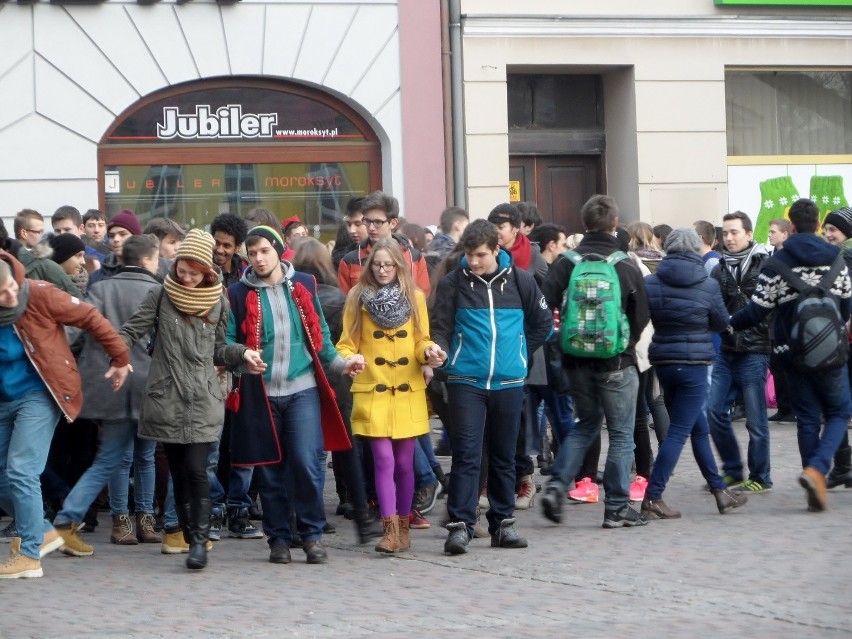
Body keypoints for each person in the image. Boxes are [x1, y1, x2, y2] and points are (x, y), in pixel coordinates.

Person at [118, 230, 265, 569]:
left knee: (198, 470)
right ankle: (186, 532)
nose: (186, 278)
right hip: (167, 396)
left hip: (203, 397)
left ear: (207, 272)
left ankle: (199, 541)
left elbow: (218, 348)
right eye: (182, 270)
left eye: (194, 273)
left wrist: (243, 354)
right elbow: (130, 331)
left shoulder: (219, 300)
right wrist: (117, 356)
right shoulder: (160, 294)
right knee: (180, 473)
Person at [226, 225, 360, 565]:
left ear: (278, 250)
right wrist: (241, 354)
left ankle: (311, 534)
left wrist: (342, 365)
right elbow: (226, 341)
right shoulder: (238, 294)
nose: (257, 258)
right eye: (252, 253)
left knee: (306, 463)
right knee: (270, 469)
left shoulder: (303, 284)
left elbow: (321, 337)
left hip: (303, 389)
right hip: (262, 393)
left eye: (263, 251)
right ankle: (279, 539)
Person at [0, 252, 131, 579]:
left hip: (42, 392)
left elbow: (90, 315)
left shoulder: (38, 293)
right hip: (4, 398)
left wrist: (119, 357)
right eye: (2, 293)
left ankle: (30, 554)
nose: (11, 295)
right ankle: (42, 531)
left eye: (11, 286)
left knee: (21, 469)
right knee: (3, 475)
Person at [431, 219, 552, 555]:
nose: (474, 261)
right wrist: (438, 348)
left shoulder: (522, 281)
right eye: (469, 254)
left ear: (497, 250)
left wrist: (518, 352)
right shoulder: (453, 283)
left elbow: (543, 324)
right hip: (465, 380)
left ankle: (503, 524)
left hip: (509, 381)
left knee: (504, 455)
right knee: (467, 455)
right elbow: (439, 326)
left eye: (481, 254)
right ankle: (460, 526)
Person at [730, 199, 852, 512]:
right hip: (832, 354)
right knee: (839, 413)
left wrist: (727, 323)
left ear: (792, 226)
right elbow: (847, 308)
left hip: (790, 354)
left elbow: (757, 311)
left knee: (807, 419)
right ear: (817, 225)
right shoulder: (838, 261)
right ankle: (817, 471)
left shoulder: (777, 263)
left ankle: (814, 477)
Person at [540, 194, 650, 529]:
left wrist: (566, 343)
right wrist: (625, 343)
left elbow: (546, 303)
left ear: (584, 224)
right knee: (620, 434)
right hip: (616, 361)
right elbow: (642, 314)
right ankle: (616, 508)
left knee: (584, 425)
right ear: (615, 224)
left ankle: (558, 485)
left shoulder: (566, 262)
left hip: (576, 361)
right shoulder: (624, 264)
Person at [51, 235, 165, 553]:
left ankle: (122, 520)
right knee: (138, 457)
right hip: (148, 384)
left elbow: (75, 332)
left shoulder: (100, 288)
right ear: (146, 260)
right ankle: (72, 518)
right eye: (156, 260)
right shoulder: (158, 290)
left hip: (110, 383)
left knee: (117, 457)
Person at [336, 238, 444, 553]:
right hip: (374, 388)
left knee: (405, 464)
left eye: (389, 265)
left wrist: (430, 352)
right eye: (378, 265)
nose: (383, 270)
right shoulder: (357, 296)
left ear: (399, 266)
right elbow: (345, 342)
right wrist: (349, 359)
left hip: (408, 389)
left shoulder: (415, 297)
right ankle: (389, 530)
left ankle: (405, 526)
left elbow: (421, 339)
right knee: (383, 460)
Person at [640, 228, 748, 518]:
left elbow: (642, 317)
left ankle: (719, 491)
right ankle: (653, 496)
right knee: (678, 432)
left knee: (698, 428)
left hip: (663, 361)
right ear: (695, 249)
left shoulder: (651, 282)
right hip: (694, 364)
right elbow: (721, 321)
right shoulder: (707, 283)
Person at [707, 211, 773, 494]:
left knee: (756, 421)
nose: (729, 238)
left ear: (748, 234)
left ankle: (761, 476)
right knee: (714, 411)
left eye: (734, 232)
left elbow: (772, 306)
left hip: (755, 350)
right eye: (725, 233)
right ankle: (733, 470)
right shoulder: (719, 268)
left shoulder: (766, 264)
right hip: (726, 350)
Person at [810, 206, 852, 489]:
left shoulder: (843, 258)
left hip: (843, 340)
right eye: (825, 230)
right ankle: (843, 467)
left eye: (833, 230)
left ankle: (843, 467)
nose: (827, 235)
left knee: (837, 407)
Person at [337, 191, 431, 295]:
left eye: (378, 222)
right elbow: (345, 302)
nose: (371, 228)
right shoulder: (350, 260)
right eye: (367, 221)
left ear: (393, 223)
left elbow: (423, 298)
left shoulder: (414, 257)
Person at [13, 210, 81, 299]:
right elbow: (76, 297)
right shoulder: (46, 264)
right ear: (24, 233)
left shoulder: (46, 262)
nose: (42, 236)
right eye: (39, 232)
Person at [88, 209, 143, 286]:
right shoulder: (97, 276)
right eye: (111, 236)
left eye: (123, 234)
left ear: (136, 237)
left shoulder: (153, 268)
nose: (116, 239)